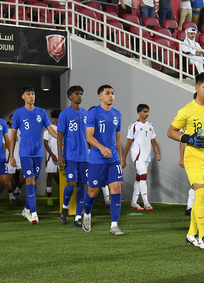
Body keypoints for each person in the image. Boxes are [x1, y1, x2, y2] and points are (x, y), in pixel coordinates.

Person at [167, 72, 204, 251]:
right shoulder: (187, 110)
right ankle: (203, 236)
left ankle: (191, 234)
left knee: (202, 197)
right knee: (201, 194)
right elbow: (171, 131)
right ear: (197, 88)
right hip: (193, 157)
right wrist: (188, 139)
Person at [10, 86, 58, 225]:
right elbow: (13, 135)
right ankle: (34, 214)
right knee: (29, 180)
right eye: (28, 94)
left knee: (34, 182)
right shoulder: (18, 113)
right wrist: (12, 156)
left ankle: (26, 209)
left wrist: (62, 137)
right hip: (25, 153)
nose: (31, 96)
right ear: (23, 97)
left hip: (38, 153)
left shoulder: (41, 112)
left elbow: (51, 130)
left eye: (33, 94)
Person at [83, 85, 124, 235]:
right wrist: (101, 148)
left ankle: (114, 225)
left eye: (112, 93)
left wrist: (119, 157)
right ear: (100, 96)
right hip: (97, 160)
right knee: (92, 192)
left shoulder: (117, 114)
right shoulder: (93, 113)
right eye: (107, 93)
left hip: (113, 160)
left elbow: (118, 137)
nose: (111, 96)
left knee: (116, 190)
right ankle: (87, 214)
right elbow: (89, 137)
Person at [58, 86, 89, 227]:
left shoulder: (86, 114)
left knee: (82, 186)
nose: (80, 96)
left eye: (81, 94)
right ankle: (65, 208)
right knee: (72, 183)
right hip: (70, 155)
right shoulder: (65, 114)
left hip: (85, 157)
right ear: (70, 97)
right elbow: (60, 136)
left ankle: (78, 217)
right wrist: (60, 155)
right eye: (77, 94)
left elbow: (90, 136)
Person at [122, 104, 162, 210]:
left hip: (147, 156)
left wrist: (157, 152)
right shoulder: (134, 125)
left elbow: (153, 140)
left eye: (147, 111)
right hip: (137, 155)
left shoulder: (150, 125)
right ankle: (146, 203)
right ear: (139, 113)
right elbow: (129, 142)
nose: (147, 113)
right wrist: (123, 158)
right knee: (143, 176)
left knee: (139, 178)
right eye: (144, 111)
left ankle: (134, 203)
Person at [43, 109, 60, 206]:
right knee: (50, 176)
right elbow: (45, 142)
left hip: (61, 156)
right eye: (58, 118)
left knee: (65, 176)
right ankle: (49, 198)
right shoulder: (49, 128)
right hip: (51, 156)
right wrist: (52, 154)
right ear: (55, 118)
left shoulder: (64, 127)